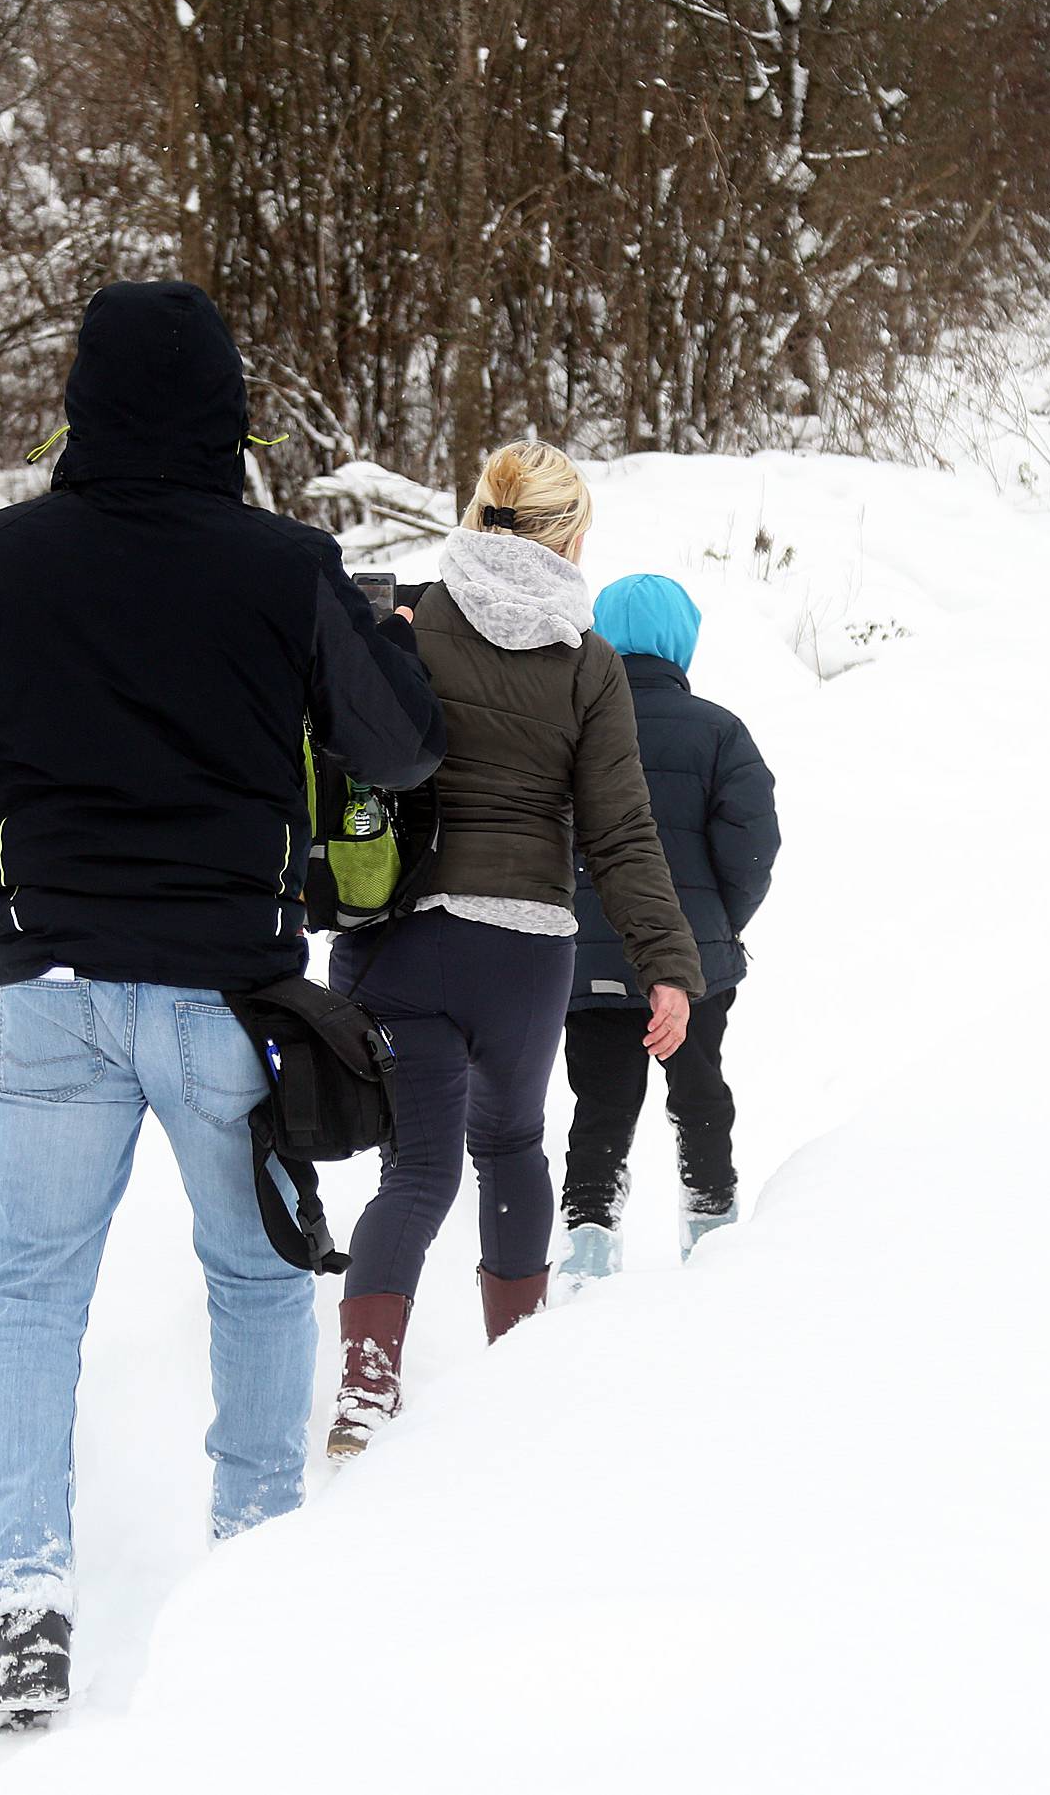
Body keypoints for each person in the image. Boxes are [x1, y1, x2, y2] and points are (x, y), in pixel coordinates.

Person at [0, 281, 444, 1733]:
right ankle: (256, 1570)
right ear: (228, 413)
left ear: (81, 402)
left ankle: (24, 1606)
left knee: (33, 1295)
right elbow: (405, 749)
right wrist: (361, 632)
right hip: (226, 998)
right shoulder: (284, 564)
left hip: (50, 986)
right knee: (251, 1281)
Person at [325, 443, 705, 1459]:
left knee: (414, 1170)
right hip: (527, 953)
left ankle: (366, 1392)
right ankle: (515, 1379)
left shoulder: (409, 619)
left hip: (407, 939)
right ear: (572, 536)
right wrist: (666, 962)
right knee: (510, 1148)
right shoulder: (589, 663)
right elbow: (621, 834)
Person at [557, 574, 780, 1283]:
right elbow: (753, 845)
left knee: (599, 1102)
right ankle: (711, 1227)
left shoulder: (572, 725)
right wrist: (715, 926)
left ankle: (589, 1240)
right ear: (682, 640)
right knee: (700, 1091)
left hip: (587, 954)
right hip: (693, 960)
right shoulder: (719, 731)